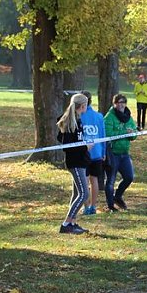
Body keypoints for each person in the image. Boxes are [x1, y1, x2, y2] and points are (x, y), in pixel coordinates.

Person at [56, 93, 92, 234]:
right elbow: (66, 145)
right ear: (82, 106)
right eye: (85, 105)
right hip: (75, 163)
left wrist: (83, 146)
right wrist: (85, 147)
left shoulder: (77, 119)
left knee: (77, 193)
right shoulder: (71, 122)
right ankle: (66, 224)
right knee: (84, 194)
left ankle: (73, 223)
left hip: (82, 161)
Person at [104, 93, 137, 211]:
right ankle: (110, 205)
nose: (121, 105)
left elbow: (134, 133)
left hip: (125, 153)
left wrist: (132, 133)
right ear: (114, 104)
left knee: (129, 177)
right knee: (110, 180)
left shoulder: (128, 116)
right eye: (119, 102)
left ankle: (117, 196)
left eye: (123, 102)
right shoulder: (109, 117)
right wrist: (123, 133)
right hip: (112, 153)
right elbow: (108, 135)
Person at [80, 90, 106, 215]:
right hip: (97, 152)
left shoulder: (79, 116)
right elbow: (103, 135)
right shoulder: (99, 116)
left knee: (84, 179)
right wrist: (103, 151)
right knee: (94, 179)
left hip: (84, 153)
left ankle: (86, 207)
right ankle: (93, 206)